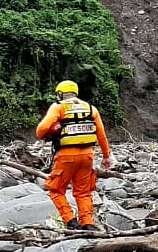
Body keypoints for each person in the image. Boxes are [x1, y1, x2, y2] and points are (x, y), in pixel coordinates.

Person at [35, 80, 113, 230]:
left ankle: (70, 221)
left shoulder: (58, 107)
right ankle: (88, 223)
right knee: (84, 192)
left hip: (66, 156)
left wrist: (53, 130)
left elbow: (40, 130)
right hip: (87, 156)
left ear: (60, 94)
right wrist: (106, 156)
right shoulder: (91, 109)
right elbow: (101, 135)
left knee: (55, 190)